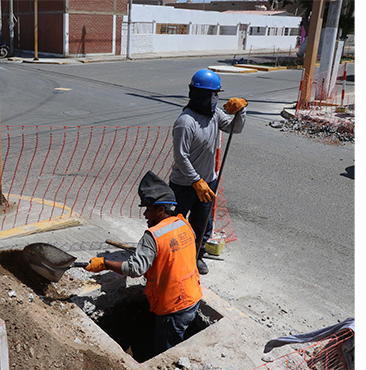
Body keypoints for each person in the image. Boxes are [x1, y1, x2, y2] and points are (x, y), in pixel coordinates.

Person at [85, 171, 202, 355]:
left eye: (148, 209)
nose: (146, 214)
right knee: (177, 344)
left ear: (160, 210)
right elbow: (175, 254)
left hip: (172, 307)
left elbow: (134, 269)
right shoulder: (183, 224)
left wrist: (104, 263)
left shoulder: (153, 236)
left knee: (166, 354)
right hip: (193, 297)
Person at [169, 69, 247, 275]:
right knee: (175, 223)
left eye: (217, 95)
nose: (216, 99)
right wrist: (195, 181)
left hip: (208, 182)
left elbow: (234, 128)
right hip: (183, 185)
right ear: (201, 96)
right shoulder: (186, 122)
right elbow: (180, 157)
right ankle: (171, 258)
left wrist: (241, 110)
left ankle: (196, 256)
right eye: (213, 95)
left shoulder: (214, 115)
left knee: (202, 223)